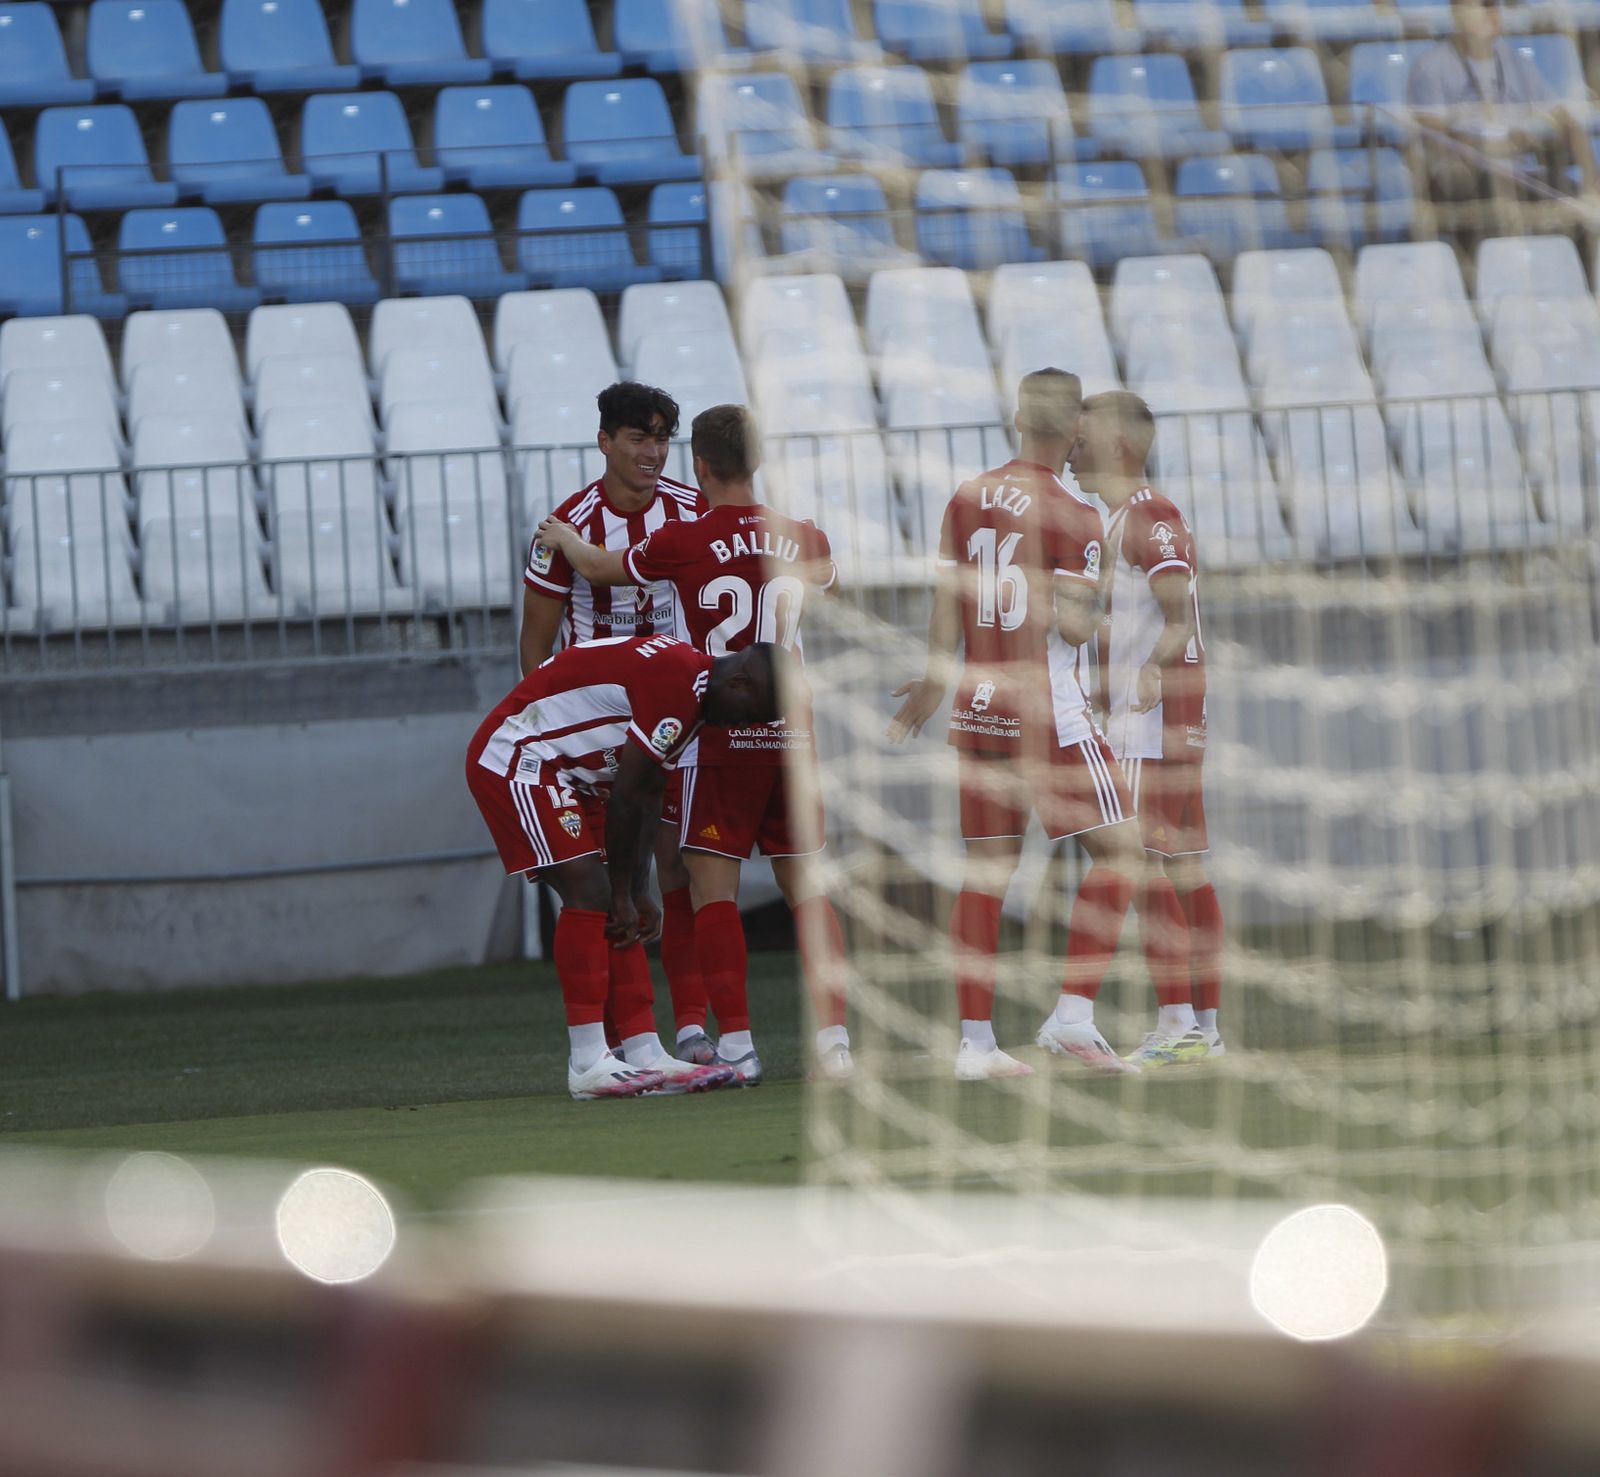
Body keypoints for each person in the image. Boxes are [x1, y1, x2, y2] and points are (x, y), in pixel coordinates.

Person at [887, 369, 1189, 1080]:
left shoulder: (967, 496)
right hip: (1047, 710)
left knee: (987, 872)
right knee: (1123, 855)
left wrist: (936, 674)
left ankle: (975, 1044)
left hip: (976, 701)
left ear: (1017, 416)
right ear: (1075, 428)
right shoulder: (1075, 513)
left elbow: (945, 596)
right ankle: (1072, 1016)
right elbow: (1077, 630)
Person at [537, 405, 852, 1085]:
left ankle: (736, 1043)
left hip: (719, 735)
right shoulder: (805, 535)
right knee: (809, 892)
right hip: (794, 734)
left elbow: (596, 568)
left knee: (713, 891)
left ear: (700, 466)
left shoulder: (682, 539)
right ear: (759, 461)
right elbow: (828, 590)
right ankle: (835, 1041)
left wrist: (562, 534)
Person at [466, 634, 789, 1100]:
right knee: (592, 895)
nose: (743, 722)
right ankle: (588, 1062)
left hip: (575, 772)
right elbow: (628, 796)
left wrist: (637, 892)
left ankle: (643, 1051)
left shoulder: (697, 694)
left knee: (616, 905)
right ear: (739, 681)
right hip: (519, 756)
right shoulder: (679, 689)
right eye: (750, 710)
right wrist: (624, 891)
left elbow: (649, 794)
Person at [520, 382, 714, 1064]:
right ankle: (616, 1038)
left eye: (661, 438)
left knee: (676, 866)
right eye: (637, 437)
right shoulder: (563, 527)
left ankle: (689, 1025)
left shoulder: (694, 512)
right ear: (604, 441)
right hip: (595, 733)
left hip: (673, 722)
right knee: (606, 881)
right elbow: (534, 647)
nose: (652, 451)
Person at [1072, 392, 1226, 1064]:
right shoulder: (1122, 520)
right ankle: (1205, 1027)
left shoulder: (1149, 513)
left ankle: (1178, 1022)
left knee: (1132, 859)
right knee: (1184, 867)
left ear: (1116, 445)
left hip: (1150, 724)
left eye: (1081, 438)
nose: (1071, 449)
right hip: (1172, 720)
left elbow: (1177, 617)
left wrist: (1147, 674)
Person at [1405, 0, 1594, 209]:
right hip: (1464, 184)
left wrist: (1591, 175)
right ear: (1457, 13)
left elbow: (1564, 118)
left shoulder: (1518, 63)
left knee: (1572, 198)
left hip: (1520, 178)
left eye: (1494, 5)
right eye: (1483, 5)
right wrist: (1494, 147)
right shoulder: (1431, 67)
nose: (1492, 13)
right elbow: (1431, 134)